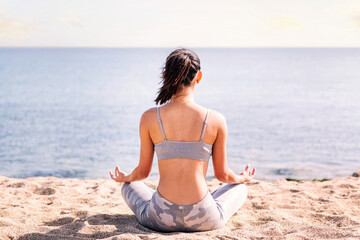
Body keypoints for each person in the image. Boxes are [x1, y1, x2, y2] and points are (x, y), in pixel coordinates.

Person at [109, 48, 256, 232]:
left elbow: (143, 172)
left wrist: (126, 178)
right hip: (204, 217)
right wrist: (243, 177)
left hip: (160, 218)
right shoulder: (216, 119)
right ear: (199, 77)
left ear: (165, 75)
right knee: (240, 188)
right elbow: (223, 176)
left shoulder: (149, 117)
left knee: (129, 186)